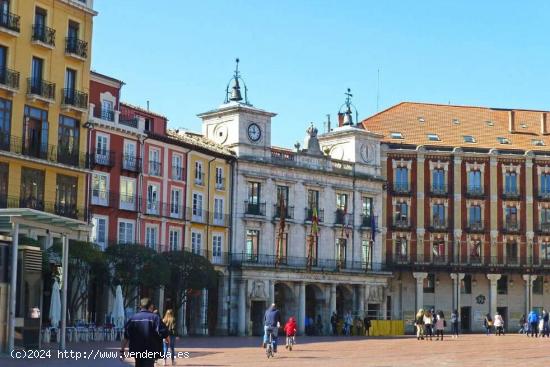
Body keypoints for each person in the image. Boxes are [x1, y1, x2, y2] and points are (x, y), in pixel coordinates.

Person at [120, 298, 168, 367]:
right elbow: (164, 333)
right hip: (151, 350)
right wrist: (168, 340)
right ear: (151, 306)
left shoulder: (133, 318)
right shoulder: (155, 318)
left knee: (138, 364)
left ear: (140, 306)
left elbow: (126, 336)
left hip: (136, 350)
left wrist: (122, 350)